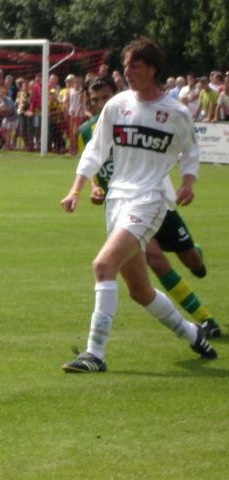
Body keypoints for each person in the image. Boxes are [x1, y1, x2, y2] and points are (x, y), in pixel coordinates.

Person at [60, 37, 216, 373]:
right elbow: (96, 150)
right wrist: (76, 189)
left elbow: (191, 153)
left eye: (134, 65)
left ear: (153, 69)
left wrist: (188, 182)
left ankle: (94, 354)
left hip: (149, 200)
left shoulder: (176, 113)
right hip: (117, 199)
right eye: (126, 65)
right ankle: (194, 334)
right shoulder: (118, 105)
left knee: (103, 265)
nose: (127, 71)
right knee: (140, 291)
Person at [80, 75, 221, 340]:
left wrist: (187, 181)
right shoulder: (87, 131)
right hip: (125, 209)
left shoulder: (136, 114)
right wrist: (94, 188)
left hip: (156, 201)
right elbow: (93, 162)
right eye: (95, 99)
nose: (101, 103)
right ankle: (205, 320)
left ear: (117, 92)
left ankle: (194, 253)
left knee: (193, 262)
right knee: (154, 259)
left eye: (105, 97)